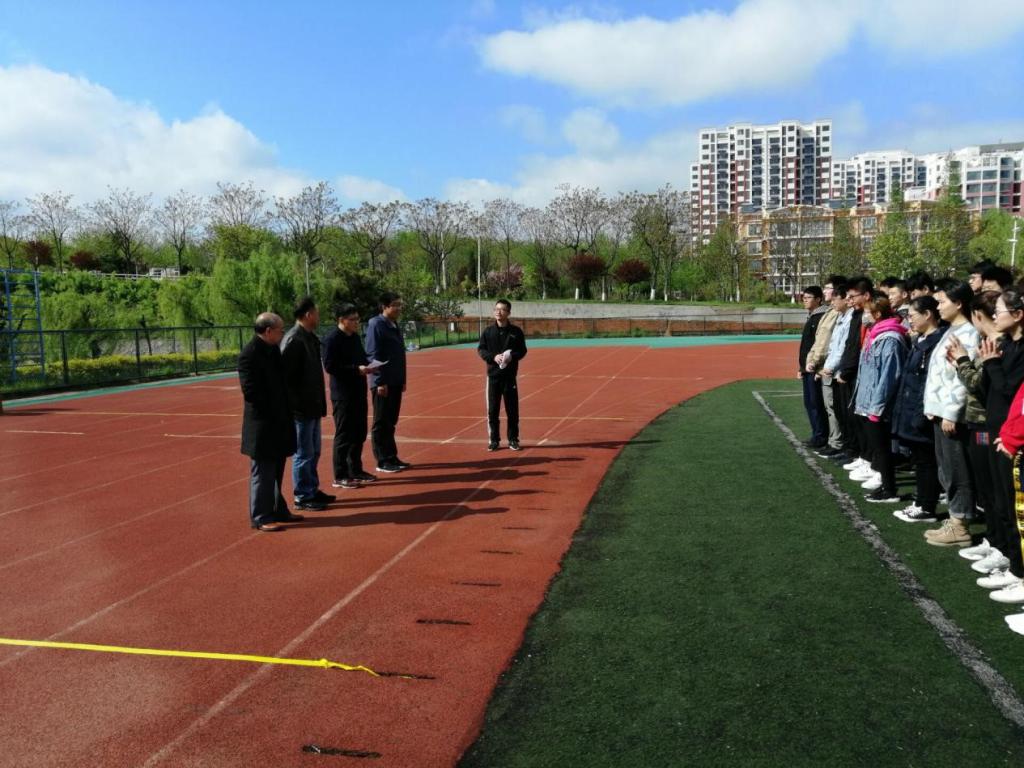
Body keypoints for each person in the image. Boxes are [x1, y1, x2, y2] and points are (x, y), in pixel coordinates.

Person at [922, 279, 980, 547]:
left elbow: (961, 379)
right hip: (939, 410)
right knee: (946, 468)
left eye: (942, 301)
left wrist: (950, 413)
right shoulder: (952, 330)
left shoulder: (968, 334)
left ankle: (960, 525)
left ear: (958, 303)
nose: (938, 306)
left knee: (957, 470)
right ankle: (956, 519)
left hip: (950, 415)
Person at [238, 312, 299, 533]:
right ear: (268, 331)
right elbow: (251, 392)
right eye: (280, 330)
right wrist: (274, 407)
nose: (283, 333)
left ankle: (278, 509)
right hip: (263, 425)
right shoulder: (249, 355)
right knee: (263, 473)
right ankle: (261, 516)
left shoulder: (273, 350)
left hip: (279, 421)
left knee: (277, 470)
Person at [892, 296, 947, 523]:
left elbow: (928, 382)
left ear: (927, 314)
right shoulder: (920, 340)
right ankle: (921, 500)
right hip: (911, 408)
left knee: (926, 461)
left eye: (912, 315)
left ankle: (927, 506)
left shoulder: (937, 342)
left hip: (922, 412)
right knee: (920, 460)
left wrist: (920, 413)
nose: (909, 320)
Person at [852, 295, 909, 503]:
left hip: (879, 406)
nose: (864, 315)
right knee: (878, 447)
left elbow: (889, 376)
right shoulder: (875, 335)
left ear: (877, 314)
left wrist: (877, 407)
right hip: (868, 402)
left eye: (868, 312)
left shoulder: (890, 339)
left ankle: (889, 489)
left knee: (883, 448)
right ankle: (885, 485)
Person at [281, 297, 334, 511]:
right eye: (317, 313)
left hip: (312, 405)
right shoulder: (294, 340)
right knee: (303, 454)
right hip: (301, 409)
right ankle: (303, 496)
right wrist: (294, 406)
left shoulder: (310, 338)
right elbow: (285, 378)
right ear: (308, 315)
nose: (319, 317)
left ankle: (312, 488)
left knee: (314, 451)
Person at [321, 302, 375, 489]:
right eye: (353, 319)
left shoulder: (354, 337)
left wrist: (370, 365)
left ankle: (356, 470)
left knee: (359, 432)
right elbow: (330, 366)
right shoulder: (331, 339)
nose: (356, 322)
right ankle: (340, 475)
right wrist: (356, 369)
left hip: (359, 391)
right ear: (341, 320)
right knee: (344, 434)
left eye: (357, 319)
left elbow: (361, 358)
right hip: (343, 394)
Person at [366, 291, 410, 473]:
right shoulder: (376, 324)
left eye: (400, 305)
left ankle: (391, 456)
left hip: (395, 380)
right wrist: (379, 381)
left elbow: (399, 355)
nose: (399, 308)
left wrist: (402, 379)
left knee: (391, 421)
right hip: (383, 382)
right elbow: (373, 353)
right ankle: (382, 460)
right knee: (381, 421)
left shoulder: (394, 324)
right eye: (395, 305)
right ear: (384, 307)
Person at [477, 299, 528, 451]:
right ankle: (494, 440)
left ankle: (513, 440)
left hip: (509, 377)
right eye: (496, 309)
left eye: (502, 309)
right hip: (493, 377)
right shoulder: (488, 332)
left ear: (508, 313)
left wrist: (512, 356)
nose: (498, 312)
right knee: (492, 411)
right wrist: (493, 357)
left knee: (512, 410)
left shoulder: (516, 332)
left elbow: (522, 350)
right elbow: (481, 350)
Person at [797, 286, 829, 449]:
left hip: (815, 367)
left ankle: (821, 436)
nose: (805, 300)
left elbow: (819, 345)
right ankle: (817, 434)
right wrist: (801, 367)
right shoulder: (812, 316)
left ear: (818, 299)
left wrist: (813, 364)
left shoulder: (820, 317)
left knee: (816, 403)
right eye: (804, 297)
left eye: (808, 297)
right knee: (810, 402)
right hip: (807, 367)